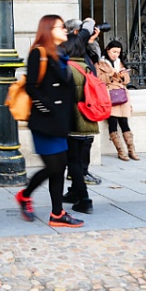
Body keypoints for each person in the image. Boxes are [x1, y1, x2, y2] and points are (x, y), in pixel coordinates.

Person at [14, 15, 84, 229]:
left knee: (59, 166)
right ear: (48, 29)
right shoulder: (39, 53)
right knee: (54, 166)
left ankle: (57, 213)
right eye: (60, 27)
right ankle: (25, 195)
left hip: (61, 121)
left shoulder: (61, 53)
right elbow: (31, 86)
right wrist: (47, 107)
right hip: (45, 122)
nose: (65, 30)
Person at [61, 35, 99, 215]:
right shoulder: (87, 67)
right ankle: (75, 192)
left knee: (73, 161)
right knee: (77, 160)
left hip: (74, 121)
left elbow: (68, 97)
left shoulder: (68, 69)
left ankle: (84, 199)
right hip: (88, 119)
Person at [63, 19, 103, 187]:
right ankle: (80, 175)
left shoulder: (81, 49)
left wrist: (92, 42)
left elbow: (96, 58)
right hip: (81, 104)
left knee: (86, 140)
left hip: (88, 102)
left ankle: (79, 175)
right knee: (81, 142)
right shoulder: (71, 52)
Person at [98, 40, 137, 161]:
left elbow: (127, 80)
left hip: (122, 95)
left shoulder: (120, 63)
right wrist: (111, 73)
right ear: (107, 50)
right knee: (113, 123)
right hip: (110, 95)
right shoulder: (100, 63)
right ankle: (121, 151)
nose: (116, 55)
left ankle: (131, 150)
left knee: (124, 123)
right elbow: (99, 79)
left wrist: (122, 75)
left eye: (118, 52)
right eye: (114, 52)